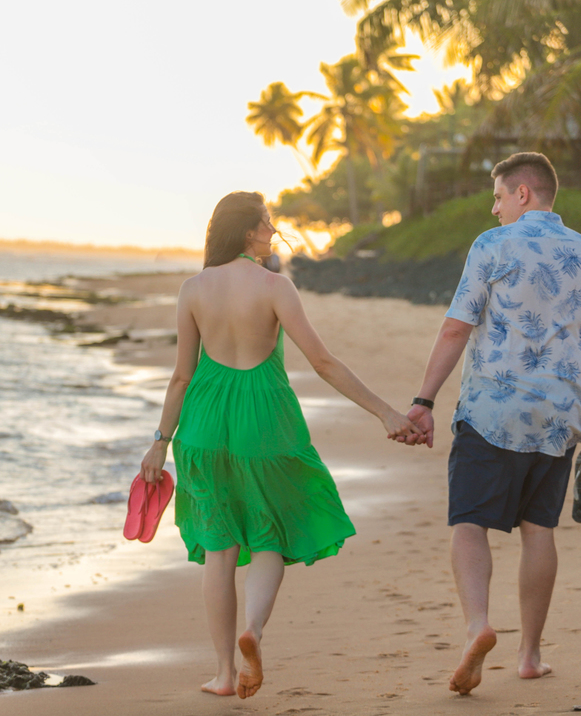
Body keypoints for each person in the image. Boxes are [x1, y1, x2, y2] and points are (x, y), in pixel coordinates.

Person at [139, 191, 421, 699]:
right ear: (249, 232)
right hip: (264, 420)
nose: (273, 230)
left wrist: (160, 442)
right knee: (271, 532)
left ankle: (224, 674)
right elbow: (324, 363)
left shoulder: (193, 289)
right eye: (267, 223)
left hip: (203, 424)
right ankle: (255, 629)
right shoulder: (275, 287)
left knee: (219, 549)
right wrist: (385, 412)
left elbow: (181, 376)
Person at [396, 152, 581, 695]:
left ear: (523, 193)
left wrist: (423, 399)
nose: (494, 209)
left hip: (492, 411)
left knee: (470, 523)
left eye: (498, 197)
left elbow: (455, 329)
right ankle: (530, 656)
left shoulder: (493, 245)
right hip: (560, 419)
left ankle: (478, 626)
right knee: (538, 530)